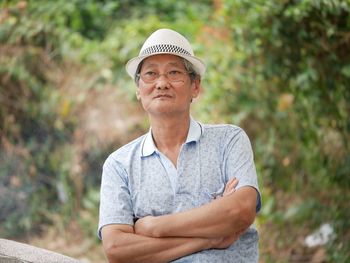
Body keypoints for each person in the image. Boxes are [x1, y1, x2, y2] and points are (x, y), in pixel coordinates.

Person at [98, 28, 261, 263]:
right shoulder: (119, 164)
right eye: (151, 74)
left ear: (195, 86)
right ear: (138, 90)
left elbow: (241, 211)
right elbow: (116, 248)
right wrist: (211, 238)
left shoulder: (229, 140)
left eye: (174, 73)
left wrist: (153, 227)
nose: (161, 83)